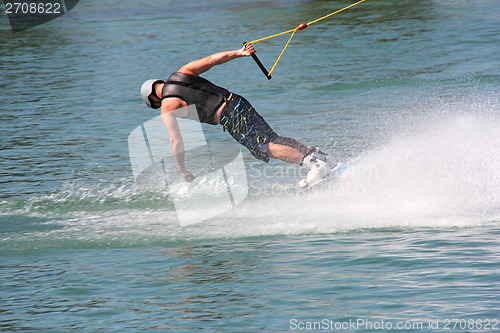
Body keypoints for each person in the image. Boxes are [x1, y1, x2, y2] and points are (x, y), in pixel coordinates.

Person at [140, 43, 339, 187]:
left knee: (265, 147)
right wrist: (239, 52)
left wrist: (182, 169)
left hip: (229, 116)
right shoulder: (183, 72)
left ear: (153, 98)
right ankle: (320, 157)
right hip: (237, 101)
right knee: (273, 139)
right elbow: (211, 60)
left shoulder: (167, 105)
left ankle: (314, 165)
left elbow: (175, 141)